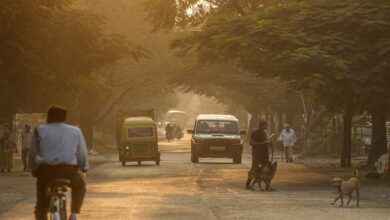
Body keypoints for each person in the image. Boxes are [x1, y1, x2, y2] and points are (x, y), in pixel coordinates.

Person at [29, 105, 89, 220]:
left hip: (45, 171)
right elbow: (82, 154)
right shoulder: (75, 131)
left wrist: (34, 169)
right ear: (65, 117)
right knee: (80, 187)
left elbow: (32, 154)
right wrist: (83, 167)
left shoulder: (40, 130)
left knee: (41, 206)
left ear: (48, 117)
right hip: (69, 171)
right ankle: (74, 213)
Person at [245, 120, 271, 190]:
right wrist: (264, 143)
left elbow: (267, 142)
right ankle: (247, 184)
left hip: (264, 154)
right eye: (264, 125)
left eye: (266, 125)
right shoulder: (255, 133)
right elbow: (252, 143)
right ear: (260, 125)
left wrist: (269, 143)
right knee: (253, 169)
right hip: (257, 154)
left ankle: (267, 186)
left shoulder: (265, 133)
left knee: (265, 170)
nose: (266, 127)